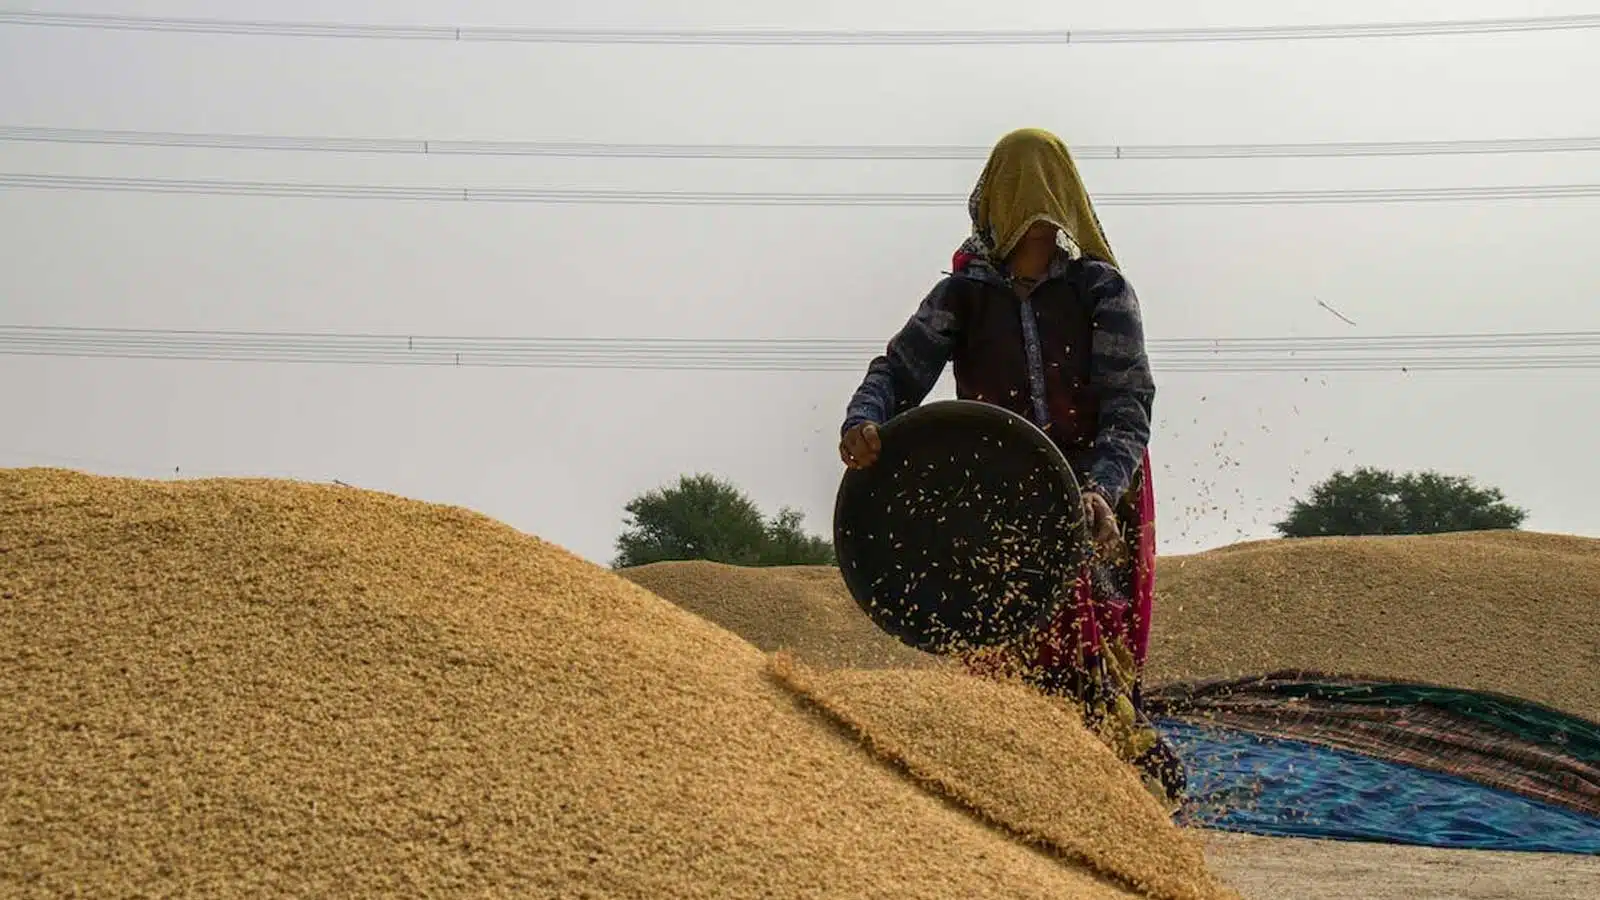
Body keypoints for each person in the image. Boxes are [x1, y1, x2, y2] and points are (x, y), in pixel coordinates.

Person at [837, 127, 1185, 805]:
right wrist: (864, 420)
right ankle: (1015, 800)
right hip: (1001, 500)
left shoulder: (1100, 292)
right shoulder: (962, 297)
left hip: (1096, 498)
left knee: (1094, 665)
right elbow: (899, 370)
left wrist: (1099, 491)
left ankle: (1139, 798)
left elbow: (1128, 406)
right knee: (1007, 655)